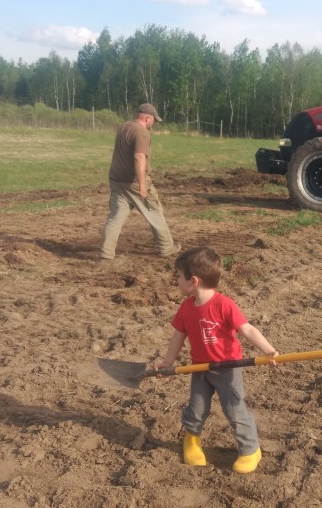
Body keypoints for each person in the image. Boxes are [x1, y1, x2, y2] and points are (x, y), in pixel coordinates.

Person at [157, 246, 278, 474]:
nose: (176, 281)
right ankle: (191, 441)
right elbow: (178, 337)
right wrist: (168, 362)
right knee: (196, 409)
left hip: (228, 368)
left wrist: (269, 351)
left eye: (178, 276)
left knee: (234, 410)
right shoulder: (186, 308)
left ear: (193, 281)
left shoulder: (224, 305)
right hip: (200, 369)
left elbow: (247, 329)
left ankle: (250, 450)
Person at [100, 103, 180, 260]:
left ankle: (106, 254)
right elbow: (139, 158)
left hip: (117, 180)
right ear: (147, 118)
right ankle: (167, 248)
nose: (154, 123)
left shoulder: (123, 127)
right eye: (154, 120)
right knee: (155, 213)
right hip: (134, 182)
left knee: (115, 218)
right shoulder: (142, 132)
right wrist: (142, 185)